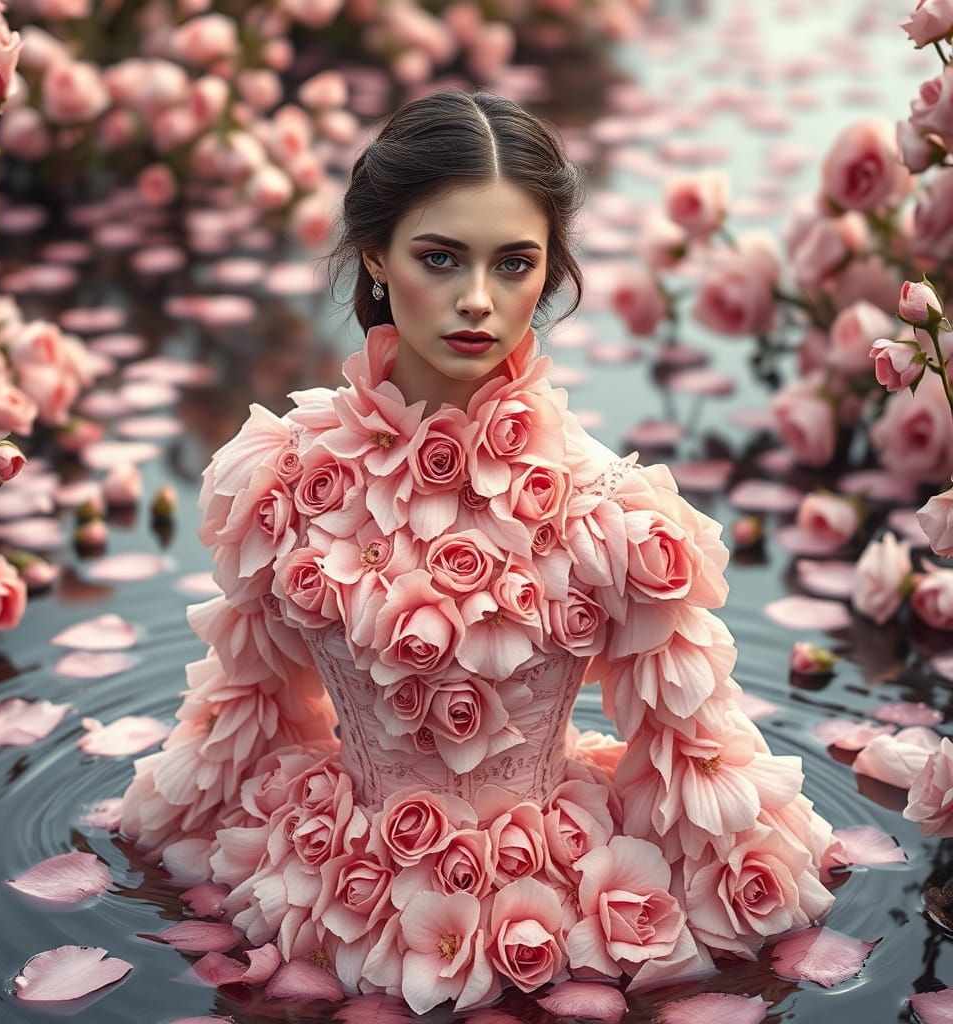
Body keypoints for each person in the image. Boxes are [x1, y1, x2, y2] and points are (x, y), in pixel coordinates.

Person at [119, 89, 836, 1014]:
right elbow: (248, 703)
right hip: (335, 888)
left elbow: (694, 752)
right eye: (440, 257)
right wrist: (170, 836)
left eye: (514, 264)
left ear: (550, 274)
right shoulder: (284, 480)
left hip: (558, 904)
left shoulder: (609, 511)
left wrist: (767, 880)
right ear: (376, 255)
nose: (476, 301)